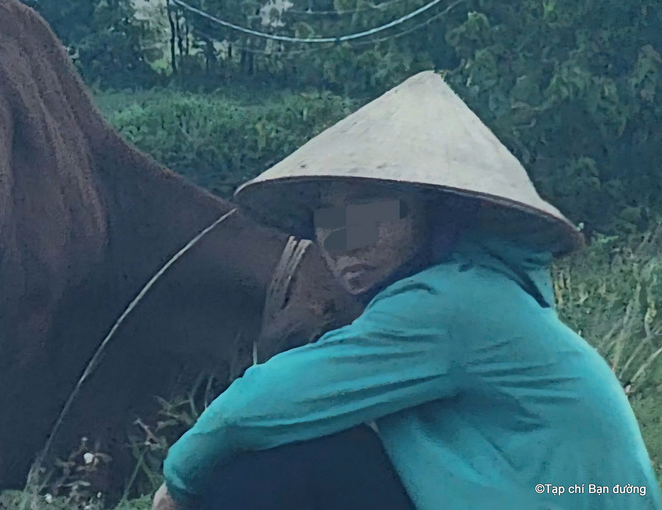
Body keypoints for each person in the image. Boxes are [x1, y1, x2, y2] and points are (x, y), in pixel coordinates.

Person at [152, 71, 662, 510]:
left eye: (370, 216)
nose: (345, 245)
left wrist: (178, 483)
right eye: (330, 222)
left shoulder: (452, 306)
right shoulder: (479, 297)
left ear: (433, 216)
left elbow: (259, 403)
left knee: (268, 469)